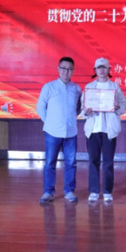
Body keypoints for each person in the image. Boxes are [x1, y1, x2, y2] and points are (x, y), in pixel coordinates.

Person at [82, 57, 126, 203]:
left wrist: (117, 107)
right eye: (98, 67)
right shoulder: (89, 87)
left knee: (108, 162)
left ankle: (107, 191)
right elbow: (83, 109)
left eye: (104, 67)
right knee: (93, 161)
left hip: (109, 130)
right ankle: (94, 191)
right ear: (95, 70)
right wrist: (86, 112)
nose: (101, 70)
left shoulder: (115, 87)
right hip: (93, 130)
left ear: (109, 70)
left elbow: (123, 104)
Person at [37, 57, 82, 204]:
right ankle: (48, 192)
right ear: (58, 69)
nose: (66, 71)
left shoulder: (77, 89)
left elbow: (79, 109)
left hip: (71, 132)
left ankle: (69, 191)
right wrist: (49, 122)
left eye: (69, 69)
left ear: (73, 71)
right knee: (50, 162)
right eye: (63, 68)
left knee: (71, 163)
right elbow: (40, 107)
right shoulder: (49, 87)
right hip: (52, 132)